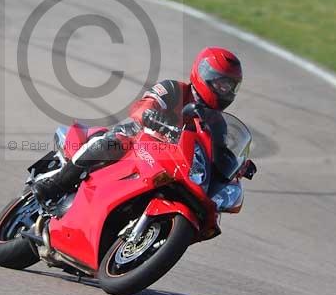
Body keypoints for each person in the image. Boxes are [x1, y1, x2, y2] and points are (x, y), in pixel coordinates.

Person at [33, 47, 243, 203]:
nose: (224, 90)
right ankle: (57, 183)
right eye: (220, 82)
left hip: (171, 165)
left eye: (229, 86)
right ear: (203, 75)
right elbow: (142, 106)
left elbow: (215, 155)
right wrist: (151, 115)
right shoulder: (174, 89)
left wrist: (235, 167)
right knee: (113, 142)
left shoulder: (218, 125)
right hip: (138, 141)